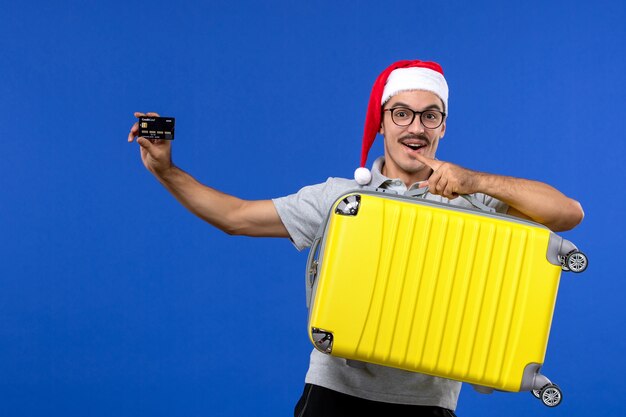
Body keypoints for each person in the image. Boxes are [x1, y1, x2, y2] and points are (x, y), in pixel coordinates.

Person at [128, 59, 584, 416]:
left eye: (430, 116)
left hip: (428, 405)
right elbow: (235, 216)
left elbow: (567, 213)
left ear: (443, 126)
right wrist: (167, 172)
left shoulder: (475, 202)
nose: (416, 127)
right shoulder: (339, 197)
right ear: (383, 122)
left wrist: (476, 182)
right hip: (334, 396)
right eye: (402, 113)